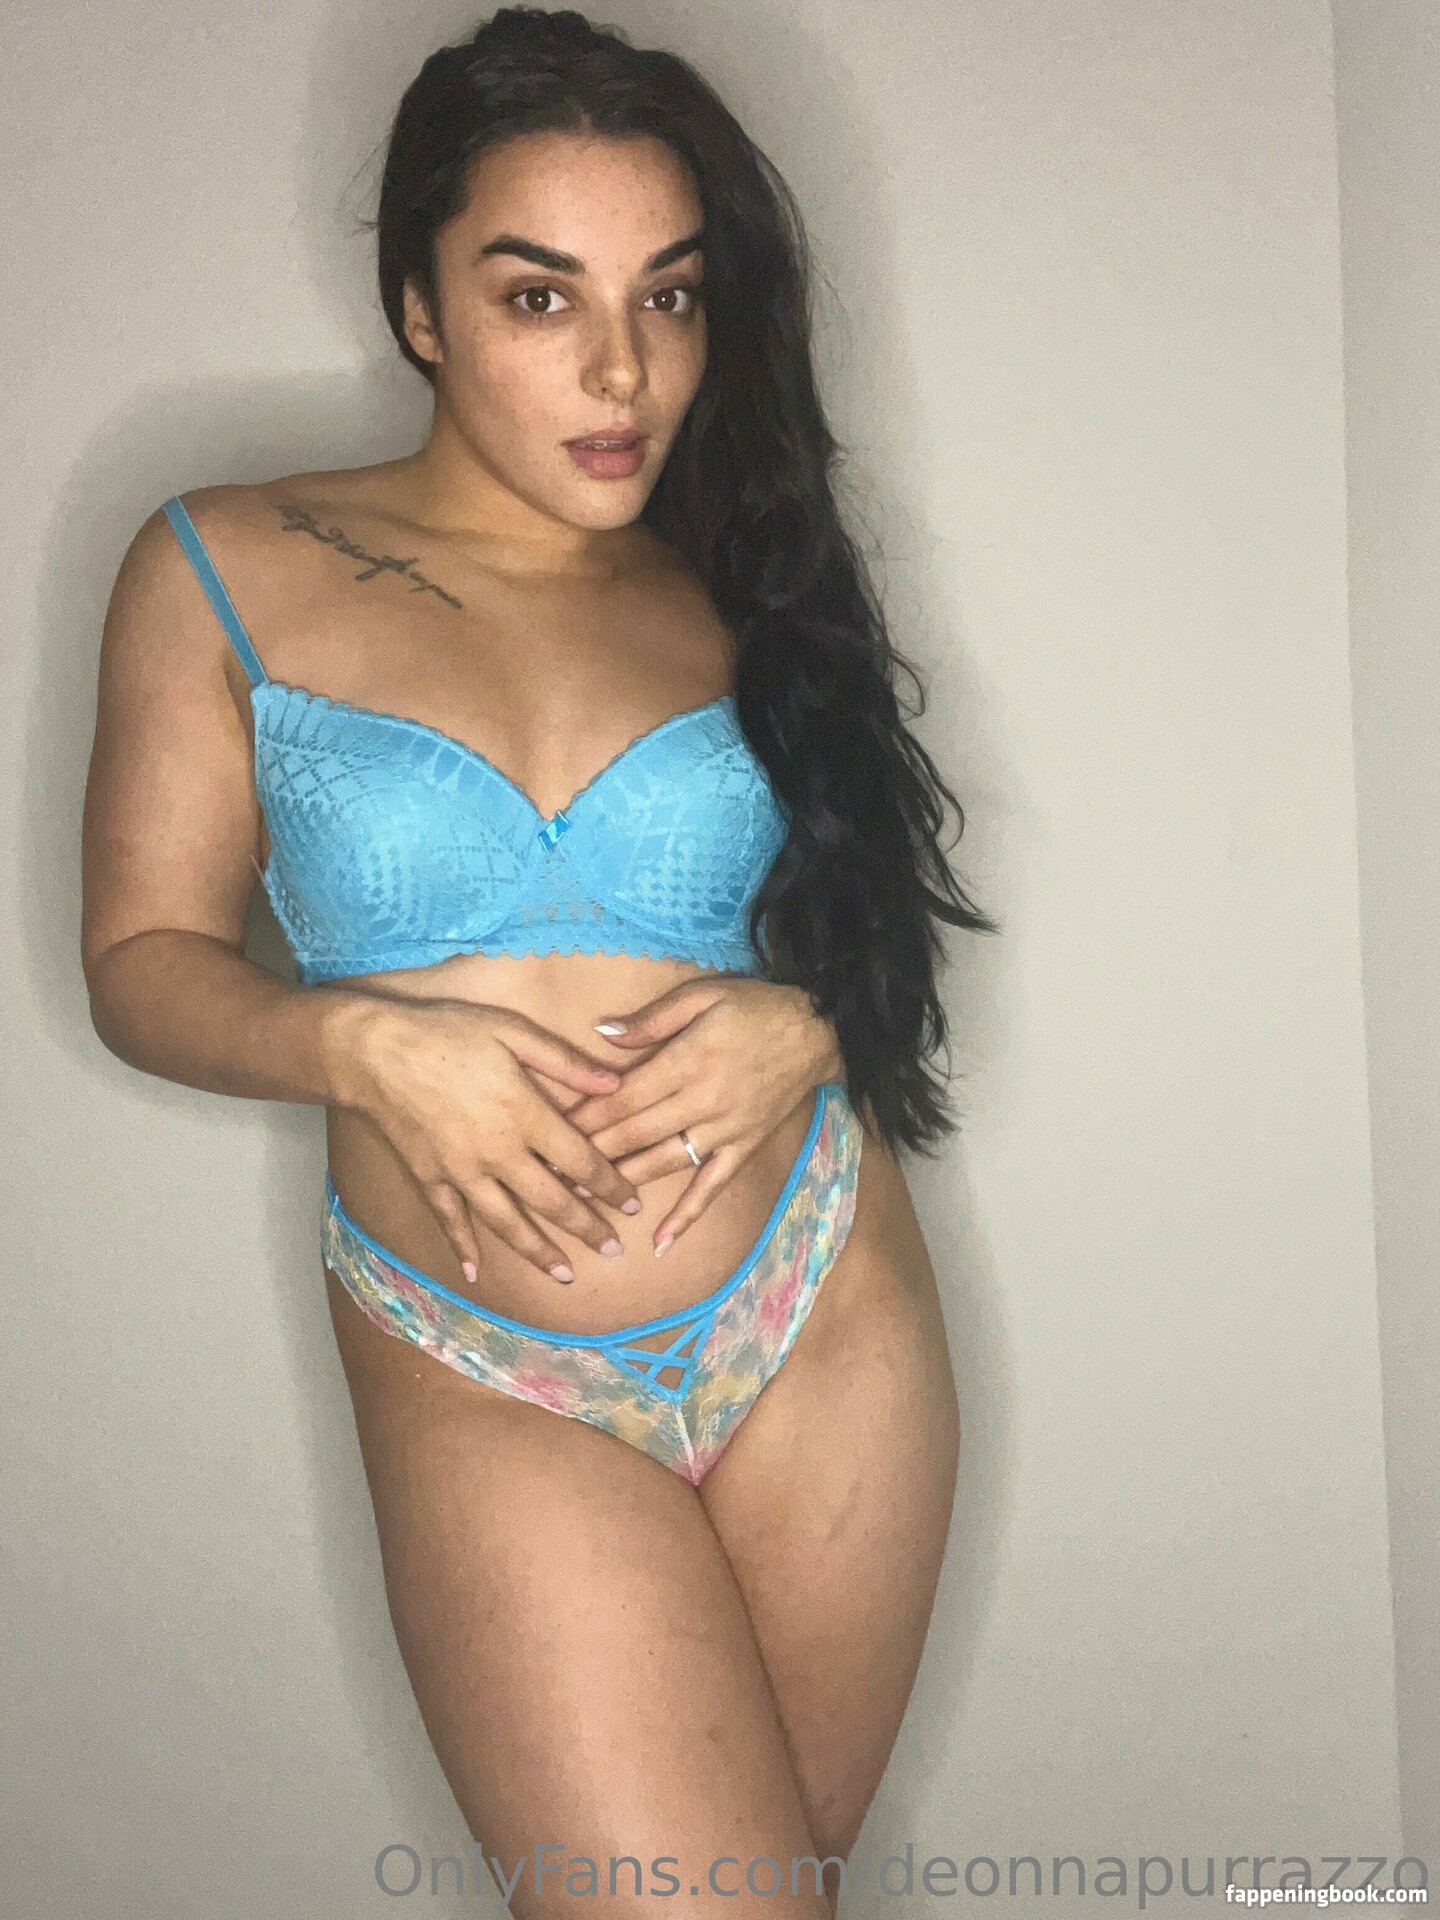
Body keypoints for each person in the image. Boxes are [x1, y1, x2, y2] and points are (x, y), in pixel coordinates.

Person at [81, 7, 998, 1913]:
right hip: (483, 1362)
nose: (620, 369)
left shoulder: (747, 576)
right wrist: (361, 1049)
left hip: (821, 1305)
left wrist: (808, 1029)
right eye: (537, 296)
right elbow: (142, 958)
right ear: (419, 307)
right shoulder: (223, 562)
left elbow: (877, 934)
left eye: (669, 296)